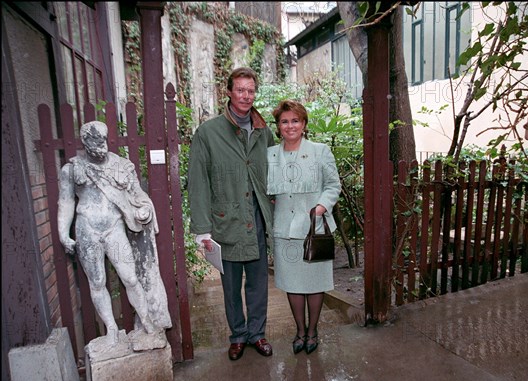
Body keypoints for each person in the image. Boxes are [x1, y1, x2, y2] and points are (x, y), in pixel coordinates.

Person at [57, 120, 171, 348]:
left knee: (129, 277)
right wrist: (63, 233)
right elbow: (66, 202)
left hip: (114, 228)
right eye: (95, 141)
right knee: (97, 282)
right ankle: (111, 330)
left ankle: (147, 321)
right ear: (85, 142)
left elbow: (136, 193)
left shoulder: (121, 166)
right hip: (87, 228)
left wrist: (144, 208)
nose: (101, 146)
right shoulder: (72, 169)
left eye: (103, 140)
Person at [188, 67, 275, 361]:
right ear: (228, 92)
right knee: (231, 287)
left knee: (259, 283)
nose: (246, 96)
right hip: (226, 224)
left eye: (250, 90)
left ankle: (257, 333)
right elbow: (197, 182)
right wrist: (203, 230)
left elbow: (275, 172)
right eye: (240, 89)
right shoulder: (208, 133)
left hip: (258, 220)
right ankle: (238, 335)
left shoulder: (265, 131)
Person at [267, 99, 341, 354]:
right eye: (285, 121)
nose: (290, 126)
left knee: (314, 282)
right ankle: (300, 330)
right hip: (285, 230)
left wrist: (321, 206)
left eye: (295, 120)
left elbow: (333, 185)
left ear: (304, 124)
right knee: (293, 283)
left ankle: (313, 331)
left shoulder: (320, 151)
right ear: (278, 126)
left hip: (313, 229)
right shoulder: (271, 155)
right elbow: (266, 190)